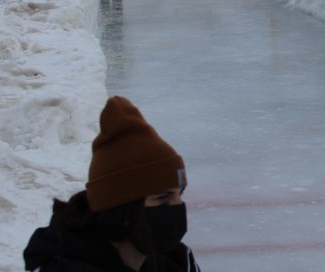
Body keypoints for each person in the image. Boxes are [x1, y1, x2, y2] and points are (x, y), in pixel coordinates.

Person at [24, 96, 201, 272]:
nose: (179, 207)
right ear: (120, 206)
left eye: (180, 194)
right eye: (163, 197)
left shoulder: (177, 261)